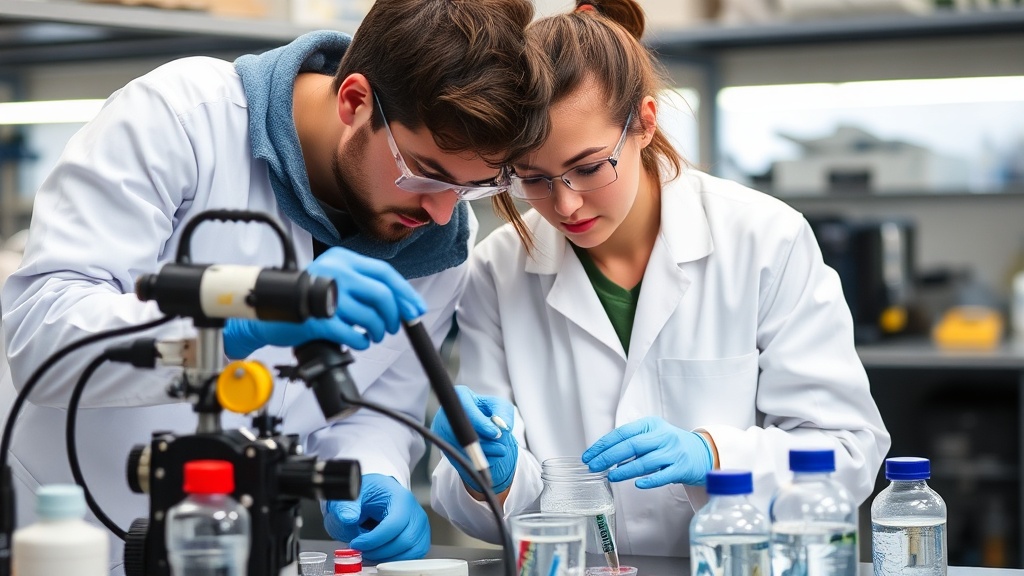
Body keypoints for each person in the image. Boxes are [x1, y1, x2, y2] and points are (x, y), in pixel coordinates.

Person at [0, 0, 550, 570]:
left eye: (471, 189)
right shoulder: (184, 119)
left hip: (232, 549)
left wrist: (370, 477)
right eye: (425, 174)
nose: (441, 212)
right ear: (354, 100)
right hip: (59, 540)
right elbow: (41, 338)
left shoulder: (436, 246)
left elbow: (376, 407)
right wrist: (233, 325)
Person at [429, 0, 890, 556]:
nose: (566, 204)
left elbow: (847, 450)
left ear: (645, 123)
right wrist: (493, 477)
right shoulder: (497, 268)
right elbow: (492, 511)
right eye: (534, 178)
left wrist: (714, 454)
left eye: (589, 167)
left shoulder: (765, 238)